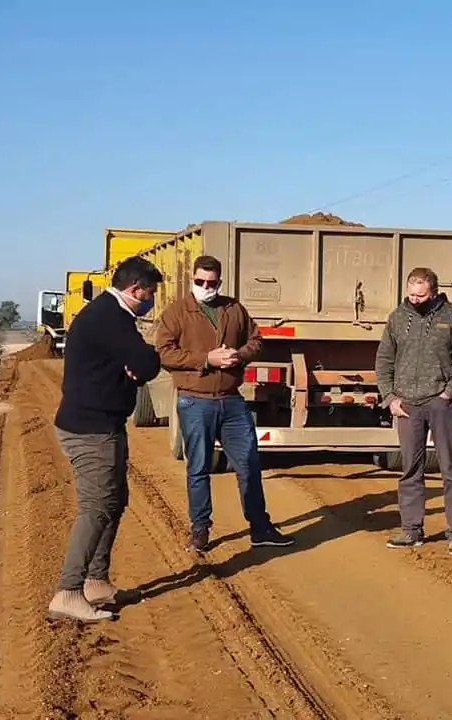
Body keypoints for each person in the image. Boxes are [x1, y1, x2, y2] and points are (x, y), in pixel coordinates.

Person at [49, 256, 163, 622]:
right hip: (90, 429)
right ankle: (68, 592)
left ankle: (95, 582)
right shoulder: (109, 318)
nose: (151, 301)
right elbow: (146, 364)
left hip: (103, 425)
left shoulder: (111, 315)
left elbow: (138, 364)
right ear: (134, 289)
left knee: (114, 502)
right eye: (150, 294)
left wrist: (135, 364)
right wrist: (140, 362)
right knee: (97, 507)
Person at [155, 255, 295, 553]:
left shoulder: (234, 309)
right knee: (199, 468)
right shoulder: (176, 312)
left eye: (212, 282)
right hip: (195, 400)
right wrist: (206, 359)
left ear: (220, 281)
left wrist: (239, 355)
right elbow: (165, 353)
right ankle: (200, 530)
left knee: (249, 464)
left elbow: (256, 340)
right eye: (200, 281)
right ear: (192, 279)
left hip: (232, 401)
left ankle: (260, 528)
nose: (206, 287)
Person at [375, 266, 452, 556]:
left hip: (440, 402)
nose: (414, 300)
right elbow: (384, 359)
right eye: (411, 294)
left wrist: (449, 392)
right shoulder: (397, 318)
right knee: (410, 469)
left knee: (451, 469)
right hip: (406, 405)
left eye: (420, 296)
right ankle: (411, 530)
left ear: (434, 292)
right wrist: (390, 397)